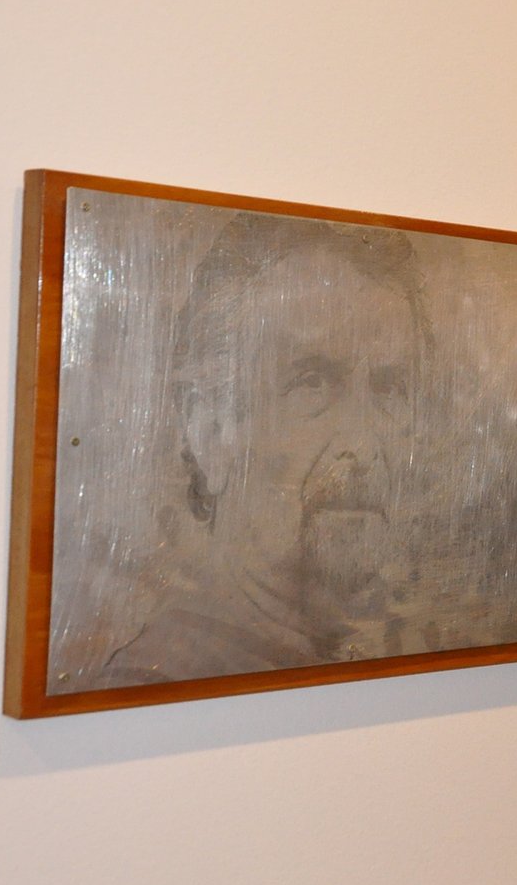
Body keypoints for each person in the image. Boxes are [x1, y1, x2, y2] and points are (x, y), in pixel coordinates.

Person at [102, 213, 438, 682]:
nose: (363, 447)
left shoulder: (390, 662)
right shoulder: (157, 684)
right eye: (312, 383)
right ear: (210, 430)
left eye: (389, 388)